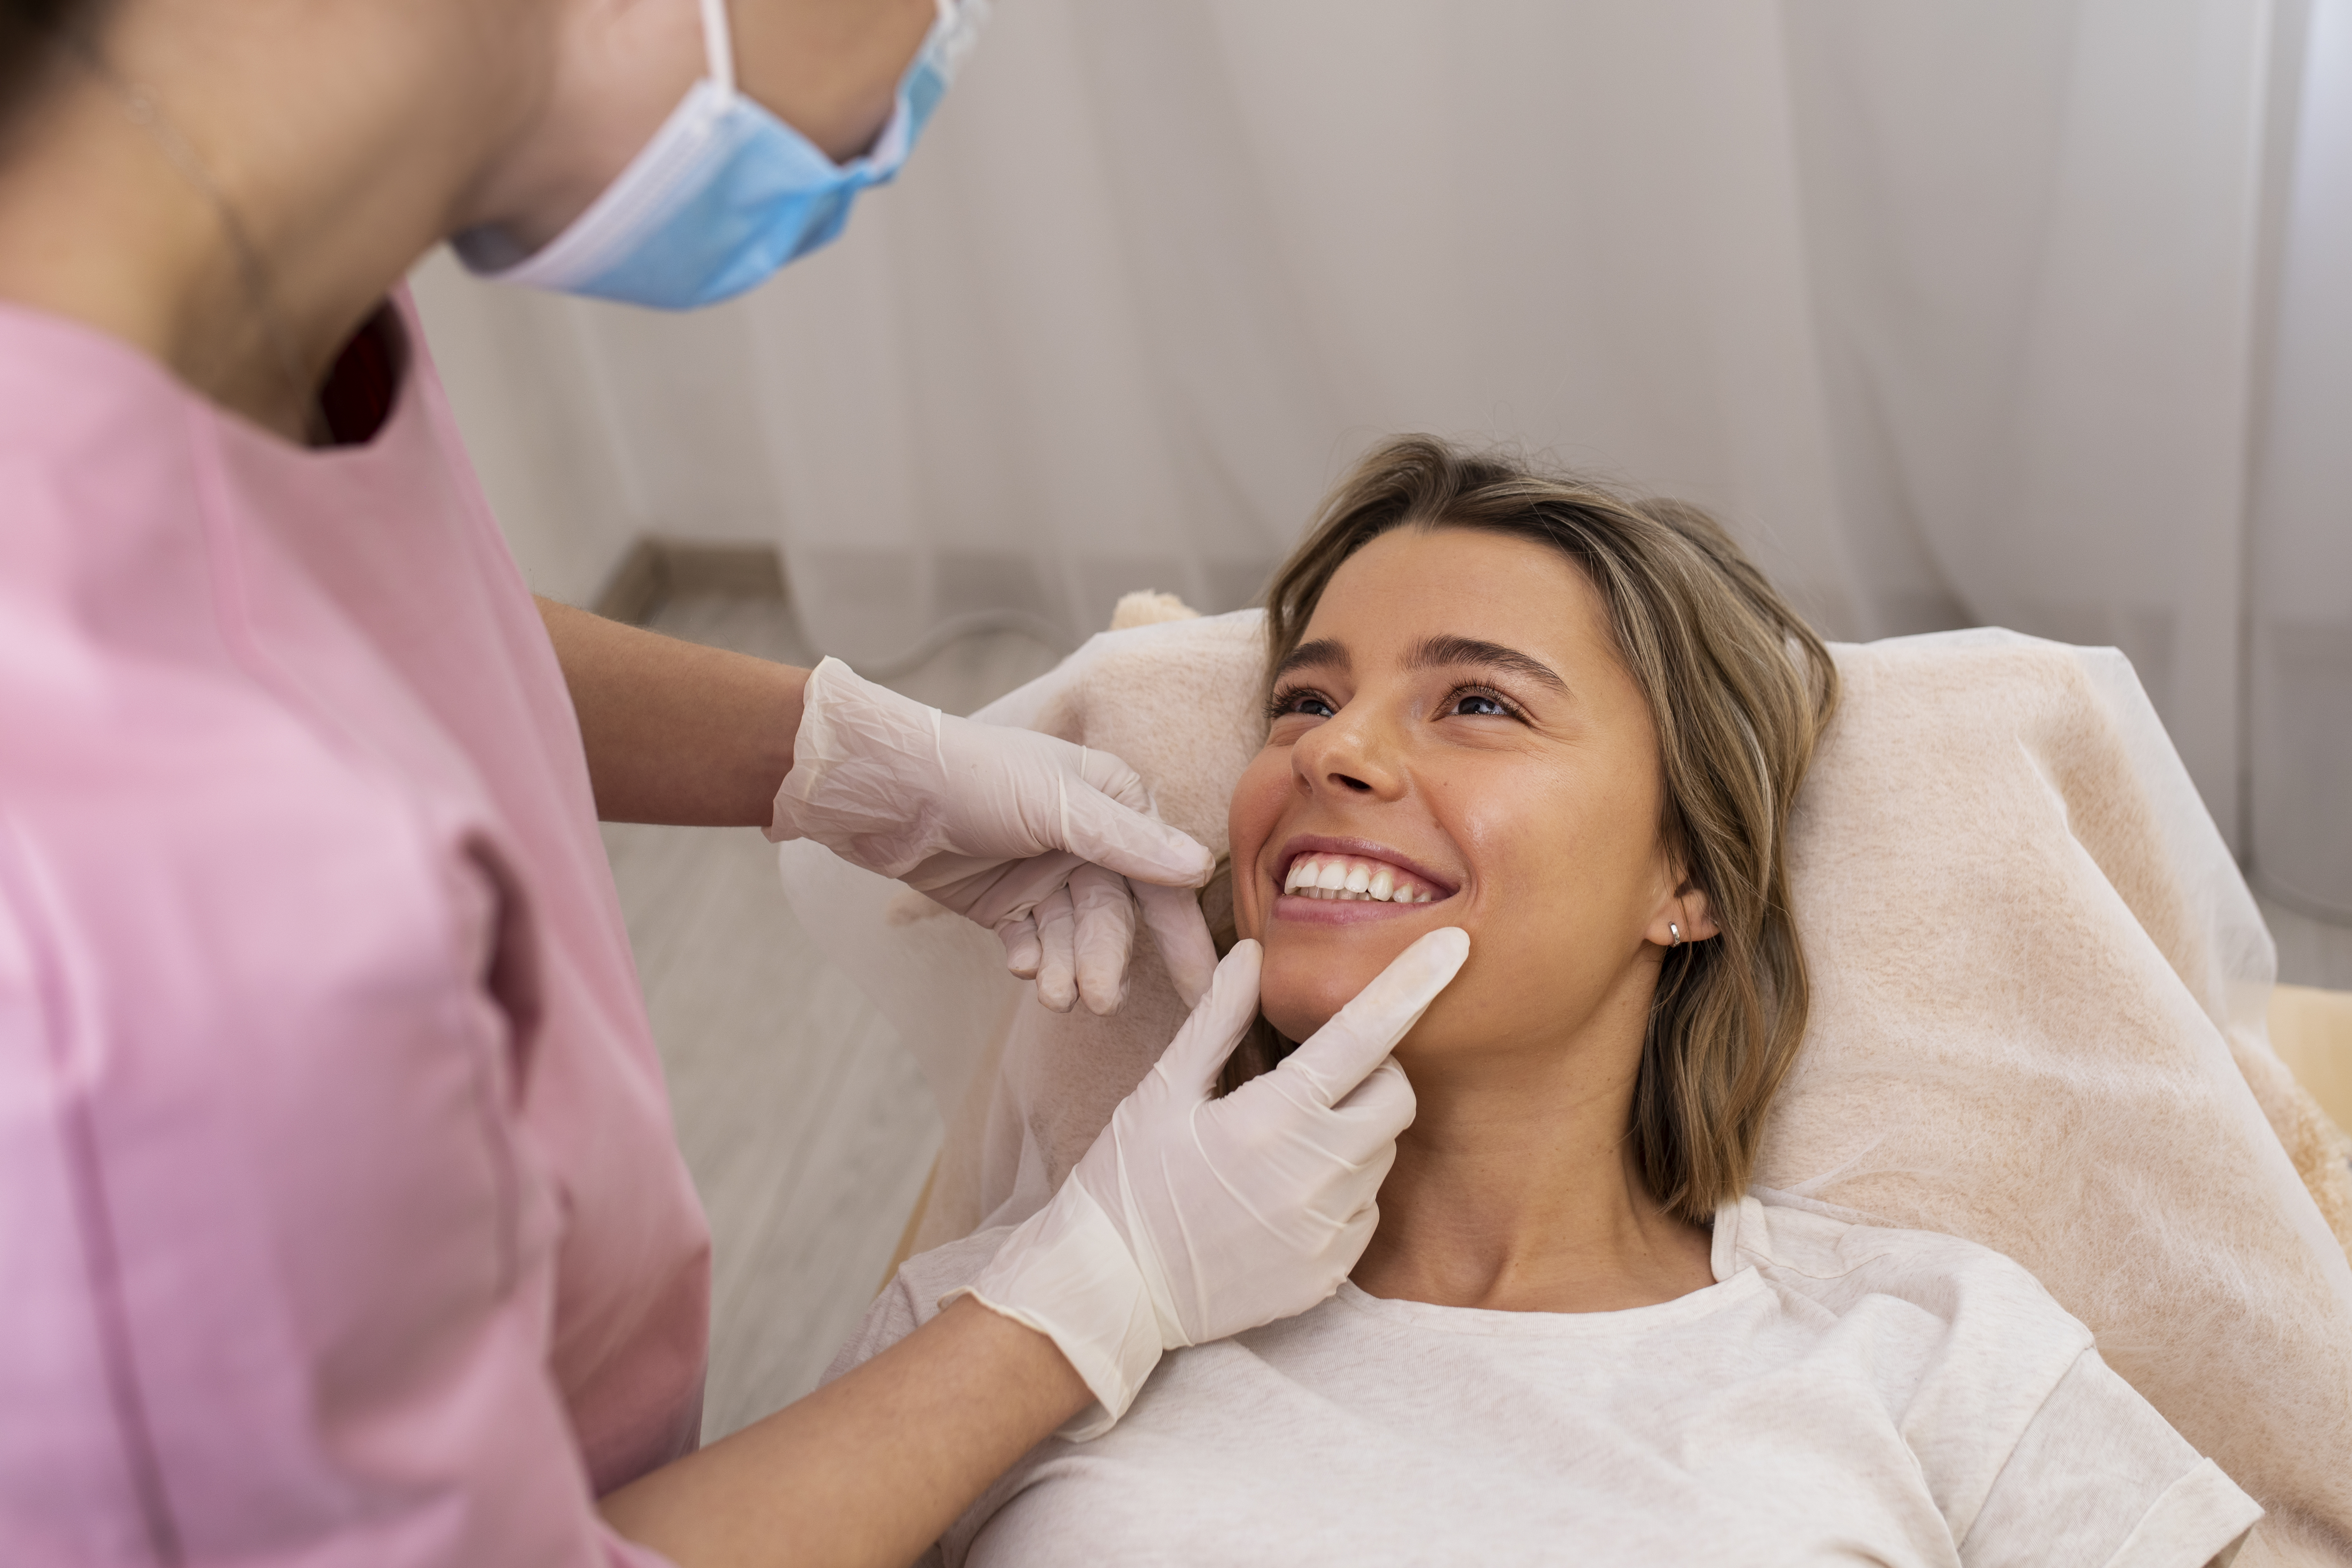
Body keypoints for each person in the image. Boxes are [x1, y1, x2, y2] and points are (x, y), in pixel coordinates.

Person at [0, 3, 1470, 1565]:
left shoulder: (227, 310)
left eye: (1484, 702)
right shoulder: (134, 895)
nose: (934, 48)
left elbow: (343, 617)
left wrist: (828, 755)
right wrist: (1095, 1291)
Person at [831, 437, 2267, 1566]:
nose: (1332, 751)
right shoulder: (1003, 1322)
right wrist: (1093, 1290)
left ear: (1687, 875)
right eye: (1304, 701)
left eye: (1480, 703)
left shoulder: (1935, 1354)